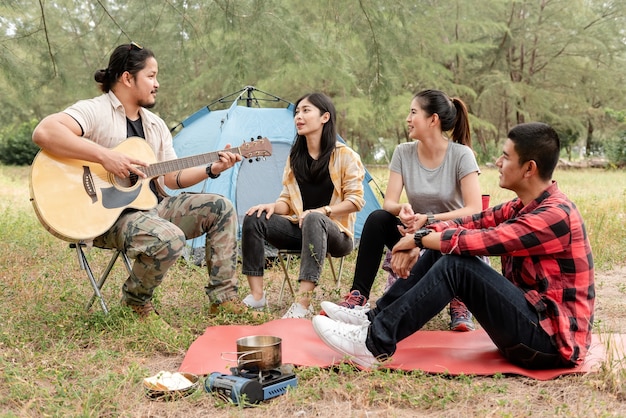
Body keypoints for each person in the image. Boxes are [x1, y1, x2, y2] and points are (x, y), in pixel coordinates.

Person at [314, 122, 595, 370]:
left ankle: (372, 344)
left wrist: (417, 239)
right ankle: (373, 320)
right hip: (527, 327)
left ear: (529, 168)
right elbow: (474, 222)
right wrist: (423, 235)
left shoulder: (555, 215)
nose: (497, 162)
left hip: (549, 345)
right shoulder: (522, 206)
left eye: (506, 157)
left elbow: (485, 241)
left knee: (457, 263)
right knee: (446, 248)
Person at [32, 42, 243, 319]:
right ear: (127, 78)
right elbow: (45, 132)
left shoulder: (154, 124)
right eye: (151, 76)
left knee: (221, 207)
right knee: (169, 237)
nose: (157, 83)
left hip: (151, 209)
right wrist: (106, 158)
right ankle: (135, 303)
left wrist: (212, 168)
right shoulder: (95, 111)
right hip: (107, 217)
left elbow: (171, 177)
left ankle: (223, 300)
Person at [329, 89, 483, 332]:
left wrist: (429, 219)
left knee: (454, 235)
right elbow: (389, 203)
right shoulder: (403, 152)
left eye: (413, 113)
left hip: (450, 237)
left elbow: (474, 210)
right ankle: (358, 297)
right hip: (414, 234)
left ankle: (459, 300)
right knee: (378, 218)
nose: (408, 119)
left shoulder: (461, 155)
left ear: (433, 119)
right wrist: (402, 209)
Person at [241, 92, 365, 318]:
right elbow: (287, 202)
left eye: (306, 111)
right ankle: (257, 296)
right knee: (254, 217)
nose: (299, 116)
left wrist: (324, 211)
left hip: (337, 235)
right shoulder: (295, 157)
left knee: (314, 218)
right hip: (300, 229)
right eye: (297, 112)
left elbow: (356, 201)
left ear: (325, 117)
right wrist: (271, 206)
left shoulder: (345, 156)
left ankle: (302, 304)